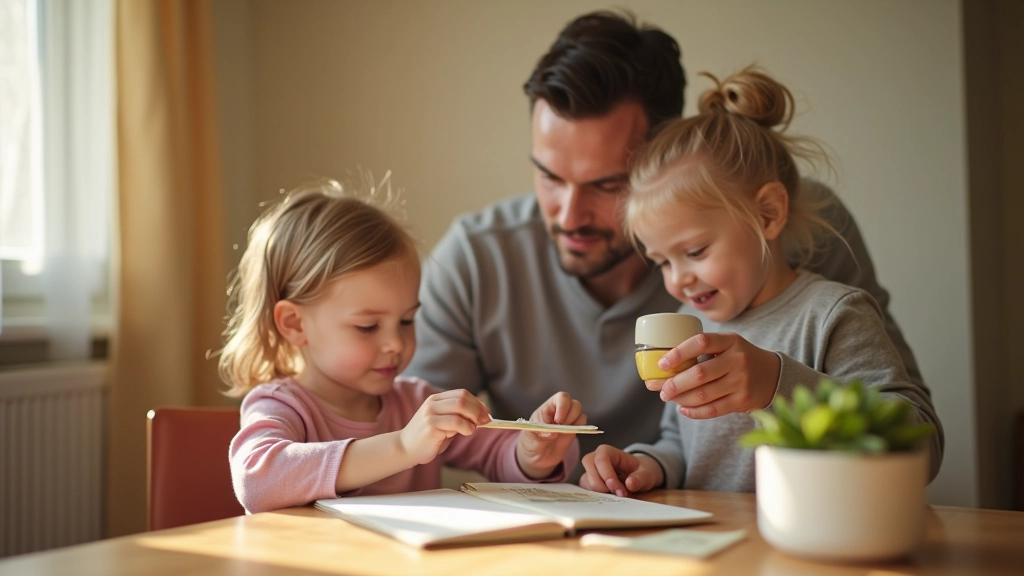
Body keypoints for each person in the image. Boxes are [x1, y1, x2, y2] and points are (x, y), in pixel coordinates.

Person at [405, 10, 936, 480]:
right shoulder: (477, 257)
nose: (569, 216)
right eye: (549, 176)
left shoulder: (808, 236)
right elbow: (404, 426)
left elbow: (914, 436)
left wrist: (780, 383)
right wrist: (643, 465)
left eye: (607, 185)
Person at [576, 67, 943, 495]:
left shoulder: (832, 315)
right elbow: (682, 442)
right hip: (709, 534)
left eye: (695, 252)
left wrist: (778, 385)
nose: (679, 281)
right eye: (662, 262)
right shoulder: (692, 324)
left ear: (768, 214)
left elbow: (921, 444)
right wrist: (648, 464)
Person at [219, 179, 585, 514]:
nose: (396, 343)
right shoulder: (282, 405)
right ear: (295, 324)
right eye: (367, 327)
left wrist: (532, 453)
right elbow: (258, 479)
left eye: (407, 321)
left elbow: (497, 455)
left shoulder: (415, 402)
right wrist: (403, 447)